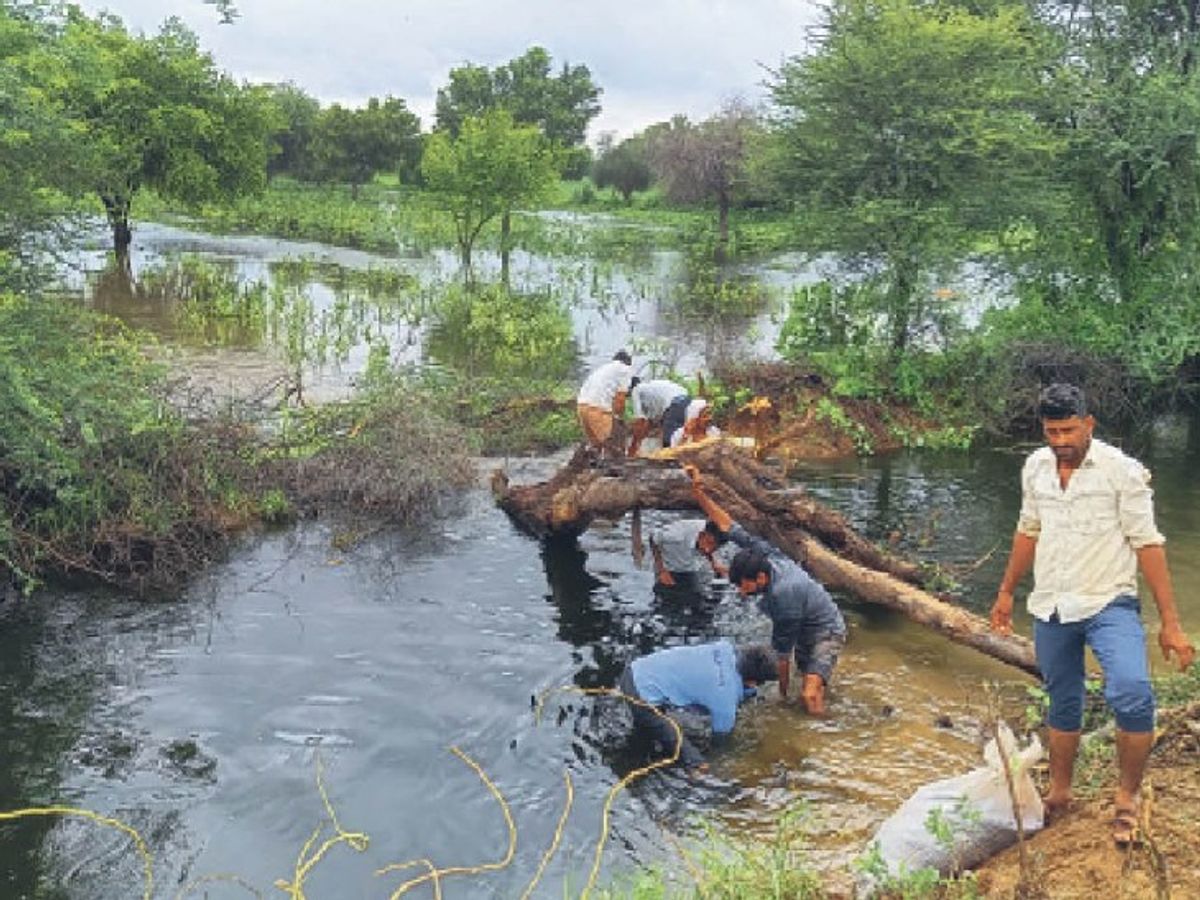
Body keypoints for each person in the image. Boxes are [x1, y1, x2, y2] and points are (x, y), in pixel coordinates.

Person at [990, 382, 1195, 846]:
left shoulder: (1121, 472)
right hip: (1053, 605)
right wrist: (1005, 592)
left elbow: (1149, 544)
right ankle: (1060, 793)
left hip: (1109, 602)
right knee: (1063, 700)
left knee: (1134, 692)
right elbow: (1028, 530)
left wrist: (1171, 622)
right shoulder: (1036, 468)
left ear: (1088, 424)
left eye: (1068, 430)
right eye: (1051, 431)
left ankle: (1126, 798)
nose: (1060, 440)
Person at [685, 464, 846, 714]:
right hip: (805, 622)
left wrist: (780, 700)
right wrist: (698, 493)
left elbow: (782, 657)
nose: (740, 590)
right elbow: (727, 525)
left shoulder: (783, 596)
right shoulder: (765, 555)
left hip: (826, 631)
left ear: (760, 578)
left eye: (743, 585)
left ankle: (822, 734)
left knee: (808, 695)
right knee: (808, 678)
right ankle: (822, 702)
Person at [617, 640, 777, 774]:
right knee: (697, 762)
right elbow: (719, 741)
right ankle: (694, 772)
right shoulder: (725, 703)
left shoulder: (724, 647)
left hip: (636, 669)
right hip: (641, 700)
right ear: (753, 681)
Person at [576, 350, 634, 455]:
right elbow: (620, 397)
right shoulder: (625, 369)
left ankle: (590, 469)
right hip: (597, 408)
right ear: (628, 363)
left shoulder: (604, 369)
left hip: (582, 405)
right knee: (612, 446)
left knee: (596, 446)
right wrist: (618, 417)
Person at [649, 517, 729, 591]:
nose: (708, 549)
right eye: (708, 542)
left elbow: (708, 549)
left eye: (714, 548)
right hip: (668, 566)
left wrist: (713, 563)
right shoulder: (675, 535)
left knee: (697, 597)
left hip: (688, 566)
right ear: (702, 534)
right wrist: (661, 571)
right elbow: (653, 538)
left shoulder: (711, 531)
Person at [628, 378, 689, 455]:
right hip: (686, 400)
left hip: (675, 403)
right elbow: (649, 423)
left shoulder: (636, 390)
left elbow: (640, 421)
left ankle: (671, 464)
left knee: (669, 443)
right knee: (680, 438)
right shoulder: (651, 391)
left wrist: (633, 447)